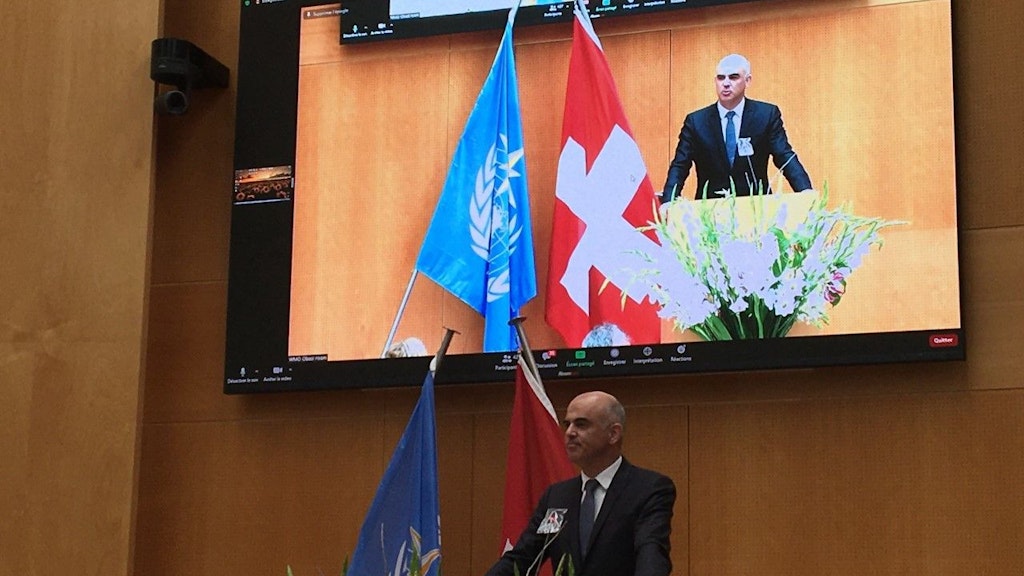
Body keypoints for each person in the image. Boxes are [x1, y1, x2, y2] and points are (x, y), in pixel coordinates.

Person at [485, 391, 675, 576]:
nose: (569, 433)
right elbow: (523, 557)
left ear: (613, 434)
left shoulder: (648, 489)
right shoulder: (557, 496)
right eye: (567, 424)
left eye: (581, 425)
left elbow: (651, 554)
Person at [662, 54, 812, 201]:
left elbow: (784, 156)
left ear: (747, 81)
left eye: (733, 77)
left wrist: (805, 191)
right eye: (721, 78)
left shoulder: (766, 115)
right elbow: (680, 165)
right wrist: (669, 200)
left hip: (756, 208)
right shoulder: (696, 121)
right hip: (711, 210)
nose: (726, 83)